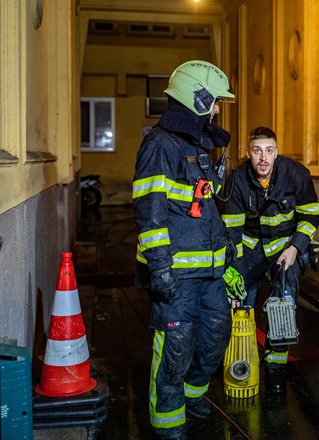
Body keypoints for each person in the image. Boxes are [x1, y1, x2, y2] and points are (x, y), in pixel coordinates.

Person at [132, 60, 239, 440]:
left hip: (210, 273)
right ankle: (168, 423)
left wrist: (227, 255)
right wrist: (159, 267)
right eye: (214, 103)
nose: (217, 111)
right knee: (175, 347)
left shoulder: (198, 145)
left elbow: (206, 206)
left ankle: (194, 397)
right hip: (176, 274)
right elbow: (150, 208)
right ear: (197, 98)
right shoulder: (160, 144)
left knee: (216, 336)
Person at [221, 126, 319, 394]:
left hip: (286, 248)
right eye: (256, 151)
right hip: (251, 248)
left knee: (282, 302)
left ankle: (276, 372)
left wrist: (296, 248)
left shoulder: (297, 174)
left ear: (276, 152)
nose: (263, 158)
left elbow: (311, 216)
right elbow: (231, 233)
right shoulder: (236, 180)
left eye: (268, 150)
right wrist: (233, 277)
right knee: (240, 302)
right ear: (248, 153)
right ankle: (245, 363)